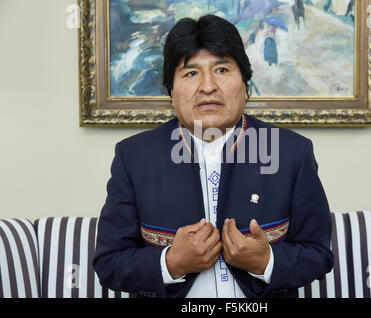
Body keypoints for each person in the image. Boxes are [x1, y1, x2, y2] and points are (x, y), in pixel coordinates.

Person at [93, 14, 333, 298]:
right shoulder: (134, 157)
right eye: (191, 73)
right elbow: (109, 264)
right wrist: (171, 262)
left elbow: (318, 255)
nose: (207, 86)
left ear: (245, 85)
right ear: (171, 93)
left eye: (221, 70)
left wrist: (265, 261)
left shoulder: (291, 152)